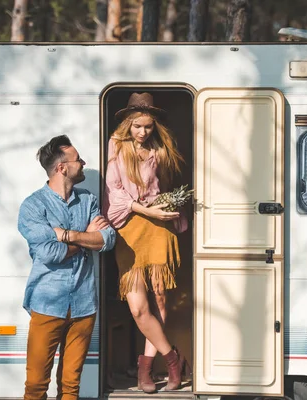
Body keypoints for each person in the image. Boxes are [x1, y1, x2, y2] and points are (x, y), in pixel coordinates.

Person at [18, 135, 116, 400]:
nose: (83, 163)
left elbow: (108, 240)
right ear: (62, 168)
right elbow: (49, 253)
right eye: (78, 160)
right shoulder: (33, 206)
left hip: (84, 306)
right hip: (48, 303)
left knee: (71, 387)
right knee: (37, 385)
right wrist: (87, 237)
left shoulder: (88, 201)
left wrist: (69, 235)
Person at [103, 92, 189, 394]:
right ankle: (173, 358)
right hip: (129, 227)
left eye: (148, 126)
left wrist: (165, 208)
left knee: (160, 300)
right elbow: (114, 192)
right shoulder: (115, 147)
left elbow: (161, 187)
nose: (143, 132)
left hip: (158, 228)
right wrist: (146, 209)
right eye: (138, 126)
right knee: (138, 308)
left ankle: (146, 370)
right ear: (128, 124)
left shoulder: (159, 150)